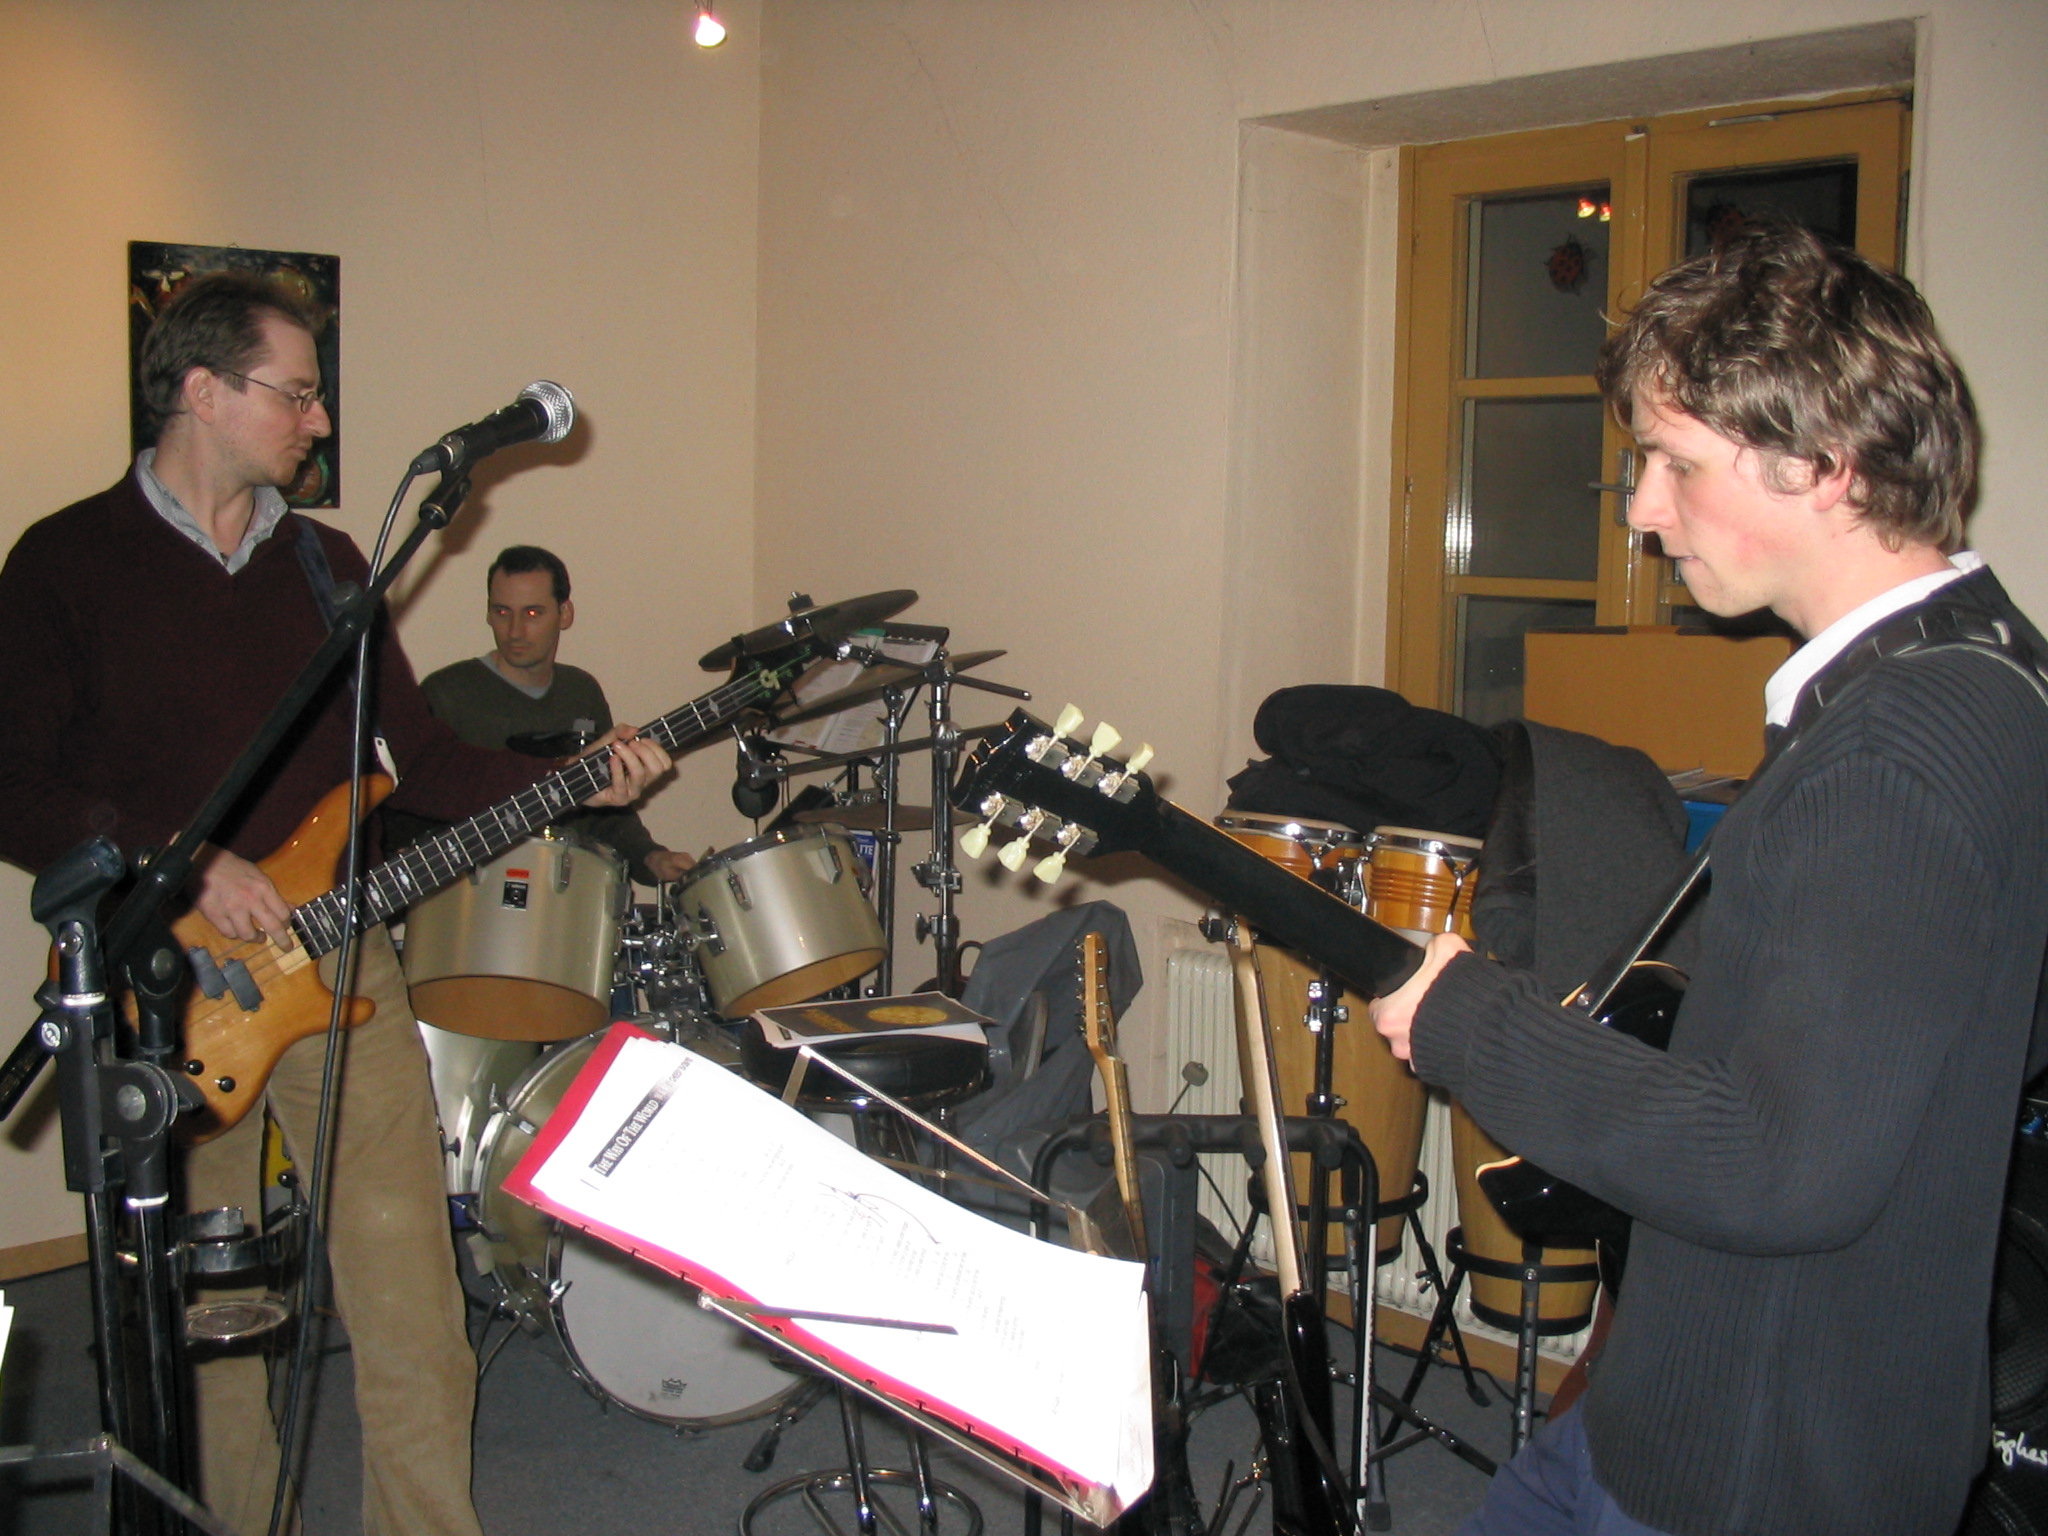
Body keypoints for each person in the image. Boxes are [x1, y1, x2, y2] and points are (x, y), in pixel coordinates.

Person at [1371, 223, 2048, 1536]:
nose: (1639, 511)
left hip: (1751, 1473)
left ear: (1826, 464)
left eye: (1674, 463)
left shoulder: (1896, 751)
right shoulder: (1988, 670)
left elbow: (1780, 1163)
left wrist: (1468, 1021)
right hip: (1696, 1403)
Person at [0, 271, 673, 1534]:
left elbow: (424, 760)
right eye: (297, 394)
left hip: (348, 966)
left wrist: (578, 777)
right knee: (210, 1323)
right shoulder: (64, 562)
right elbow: (13, 785)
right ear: (205, 391)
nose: (317, 421)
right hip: (174, 992)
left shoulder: (326, 565)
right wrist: (182, 863)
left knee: (411, 1296)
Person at [400, 545, 694, 884]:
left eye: (532, 613)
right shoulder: (445, 693)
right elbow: (411, 810)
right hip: (469, 894)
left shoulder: (581, 691)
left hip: (563, 891)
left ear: (564, 613)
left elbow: (603, 808)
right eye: (502, 611)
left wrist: (650, 857)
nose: (515, 630)